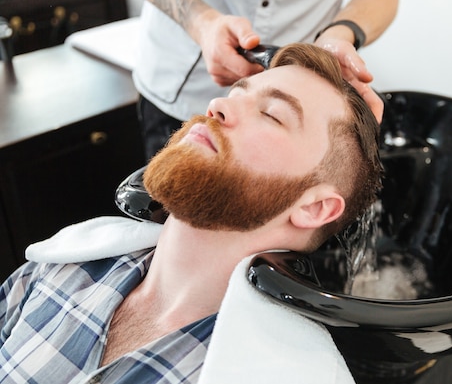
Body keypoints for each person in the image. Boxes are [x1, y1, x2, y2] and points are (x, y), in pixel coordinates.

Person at [0, 43, 383, 383]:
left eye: (271, 114)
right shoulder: (59, 268)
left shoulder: (290, 373)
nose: (218, 106)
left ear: (314, 207)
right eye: (235, 93)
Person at [117, 0, 403, 159]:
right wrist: (200, 23)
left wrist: (339, 34)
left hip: (289, 119)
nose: (221, 109)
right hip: (178, 80)